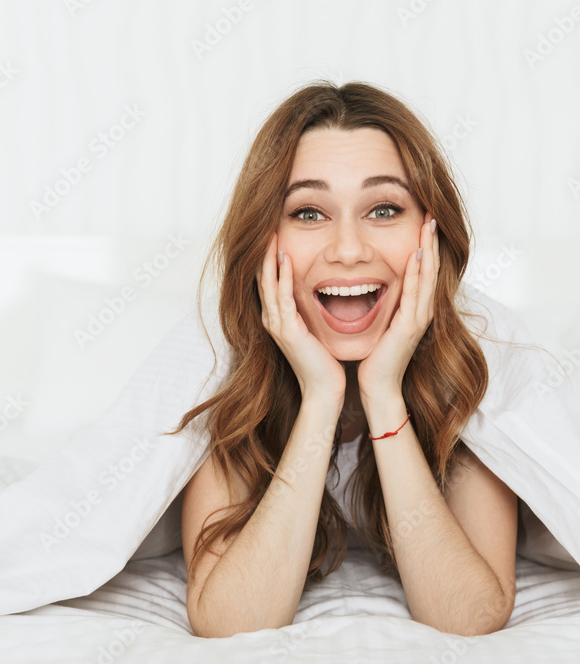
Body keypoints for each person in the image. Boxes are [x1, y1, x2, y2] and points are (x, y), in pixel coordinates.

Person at [172, 81, 518, 638]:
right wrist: (322, 396)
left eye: (384, 209)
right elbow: (230, 623)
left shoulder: (476, 361)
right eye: (309, 213)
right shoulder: (224, 364)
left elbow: (468, 617)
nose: (349, 249)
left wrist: (383, 392)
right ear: (264, 238)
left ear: (431, 234)